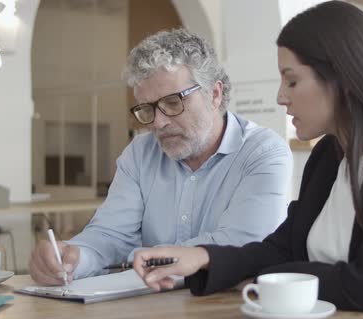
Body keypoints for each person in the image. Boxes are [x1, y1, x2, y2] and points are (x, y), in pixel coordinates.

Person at [133, 2, 363, 319]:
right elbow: (282, 247)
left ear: (342, 78)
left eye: (292, 80)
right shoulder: (329, 154)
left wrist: (265, 277)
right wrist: (201, 257)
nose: (280, 96)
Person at [29, 29, 293, 285]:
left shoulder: (264, 153)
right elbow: (111, 233)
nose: (158, 123)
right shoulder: (140, 154)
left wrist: (137, 258)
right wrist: (74, 257)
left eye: (173, 102)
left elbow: (241, 243)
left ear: (214, 94)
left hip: (234, 310)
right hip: (154, 310)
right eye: (147, 109)